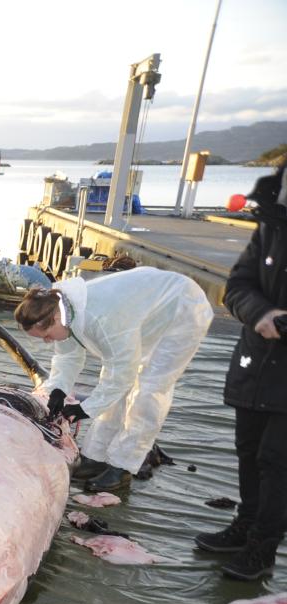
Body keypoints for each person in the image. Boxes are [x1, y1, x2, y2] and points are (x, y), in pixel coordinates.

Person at [15, 268, 214, 494]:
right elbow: (67, 356)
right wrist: (58, 390)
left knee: (148, 388)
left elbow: (122, 374)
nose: (47, 342)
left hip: (182, 309)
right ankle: (96, 457)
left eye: (47, 336)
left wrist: (84, 409)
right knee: (112, 381)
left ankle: (123, 466)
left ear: (56, 318)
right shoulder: (62, 310)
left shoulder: (100, 317)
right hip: (146, 312)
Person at [194, 164, 287, 581]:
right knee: (248, 451)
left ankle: (262, 549)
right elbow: (236, 287)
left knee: (277, 461)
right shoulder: (270, 224)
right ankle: (245, 527)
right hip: (257, 359)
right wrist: (262, 314)